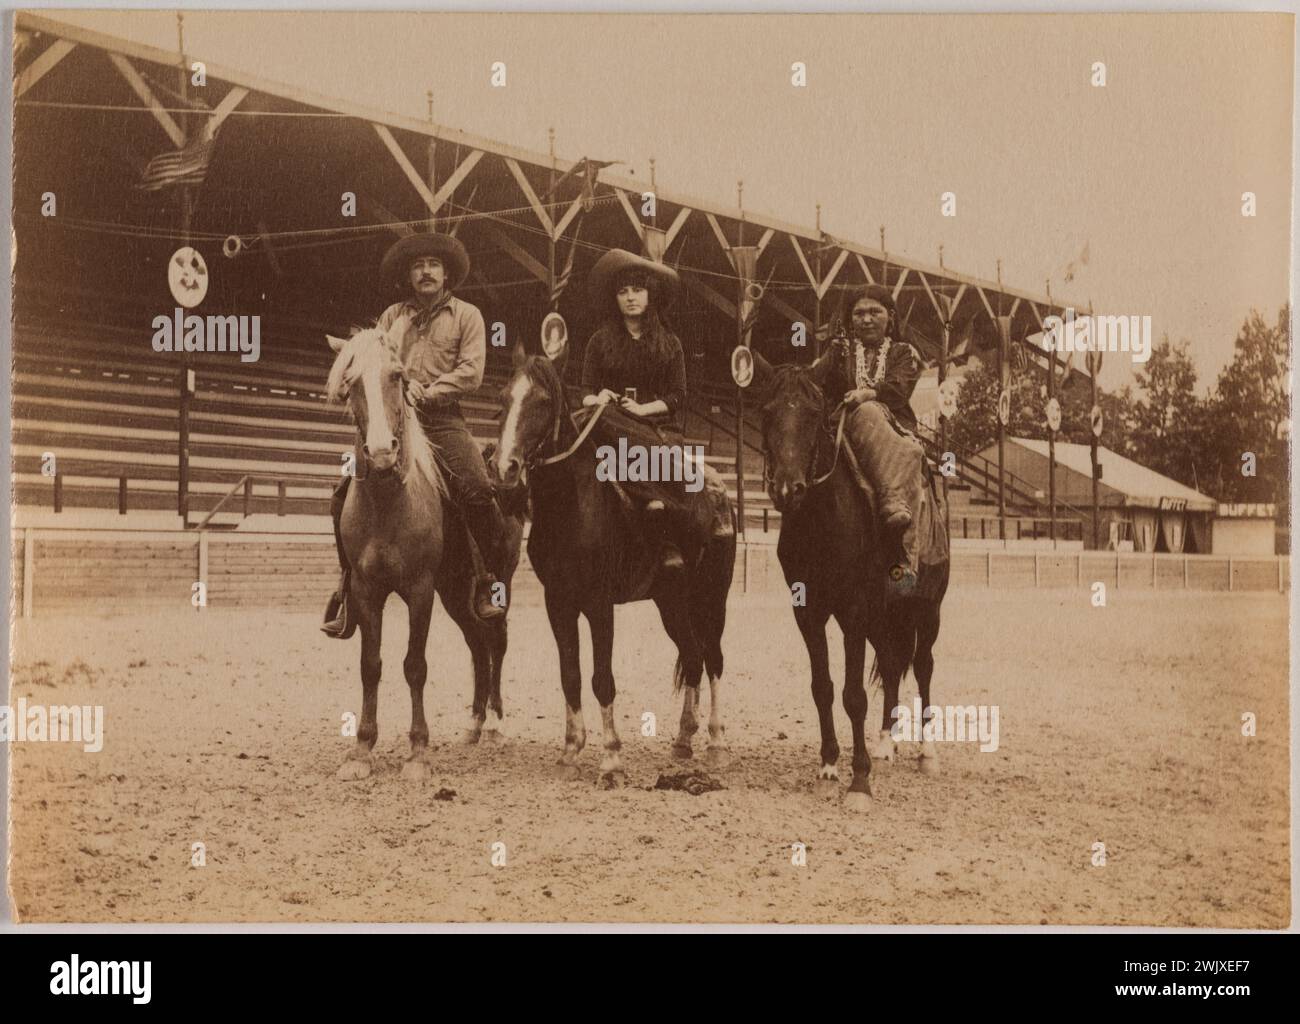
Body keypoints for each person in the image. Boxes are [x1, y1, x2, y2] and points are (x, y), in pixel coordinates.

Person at [322, 233, 508, 637]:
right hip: (395, 421)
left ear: (446, 274)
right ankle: (346, 588)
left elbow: (473, 371)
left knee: (477, 487)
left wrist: (431, 389)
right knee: (340, 496)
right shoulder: (391, 317)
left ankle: (487, 580)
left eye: (433, 264)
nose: (425, 271)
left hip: (443, 419)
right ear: (409, 275)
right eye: (418, 265)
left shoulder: (467, 316)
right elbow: (375, 359)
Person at [579, 249, 695, 573]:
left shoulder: (670, 343)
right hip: (610, 423)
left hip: (656, 425)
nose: (630, 298)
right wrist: (598, 398)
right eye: (622, 291)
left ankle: (666, 532)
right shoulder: (599, 341)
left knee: (665, 455)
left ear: (650, 295)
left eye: (637, 290)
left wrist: (643, 409)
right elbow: (585, 392)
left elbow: (678, 396)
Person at [836, 284, 927, 590]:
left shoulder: (904, 353)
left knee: (909, 455)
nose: (866, 319)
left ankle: (902, 565)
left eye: (874, 312)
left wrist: (868, 394)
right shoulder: (840, 351)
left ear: (890, 317)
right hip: (843, 428)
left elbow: (900, 389)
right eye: (858, 313)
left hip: (892, 427)